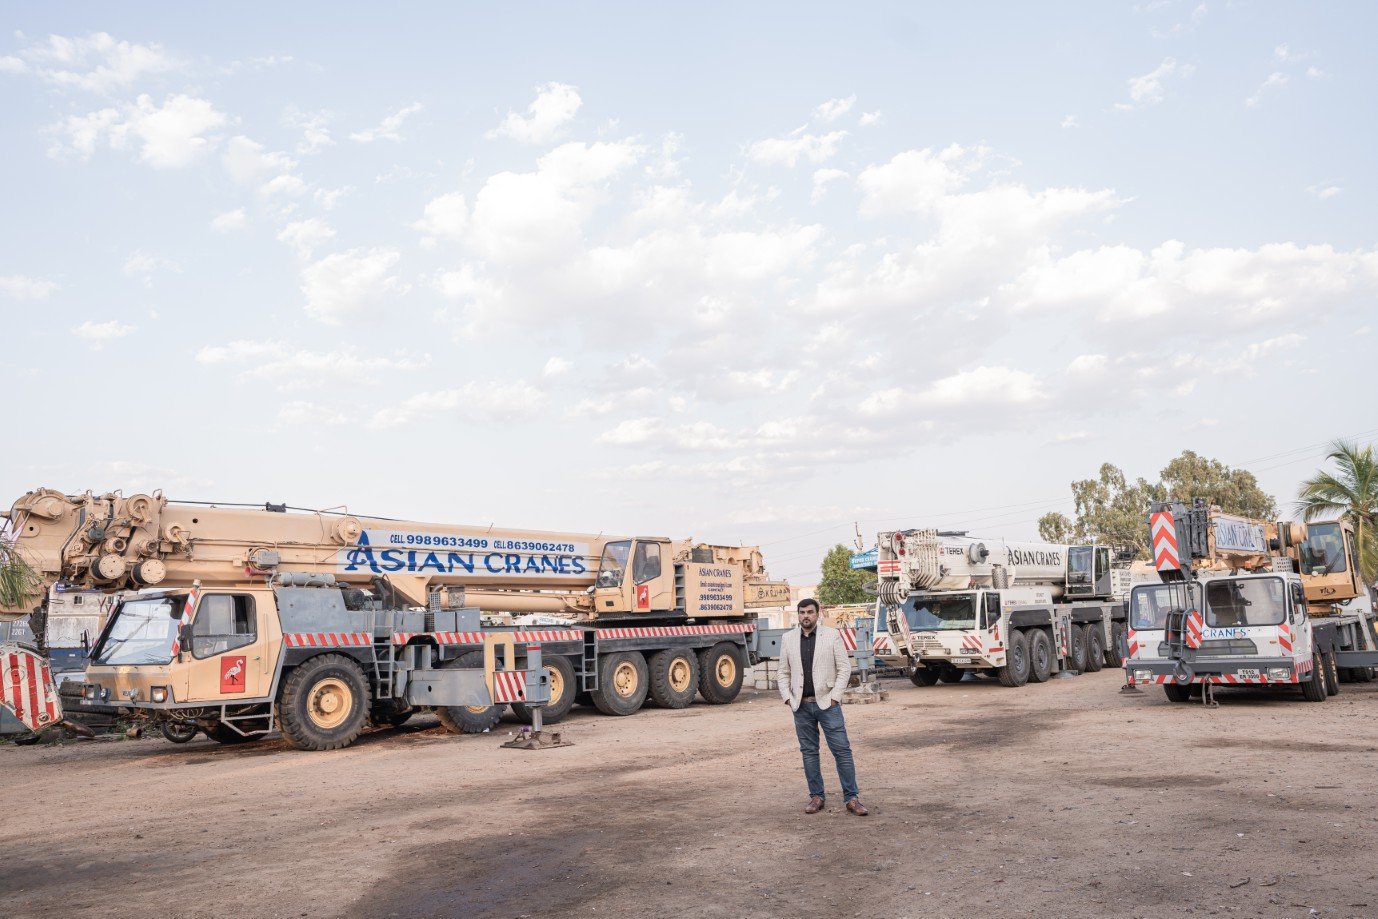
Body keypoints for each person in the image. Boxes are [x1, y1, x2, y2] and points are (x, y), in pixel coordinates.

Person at [778, 598, 868, 816]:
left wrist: (835, 697)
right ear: (798, 615)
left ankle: (852, 798)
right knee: (809, 752)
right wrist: (789, 698)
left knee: (842, 751)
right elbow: (783, 672)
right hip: (801, 706)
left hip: (828, 704)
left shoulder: (832, 635)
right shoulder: (788, 638)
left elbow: (844, 668)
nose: (806, 616)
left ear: (817, 614)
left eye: (810, 612)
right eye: (802, 612)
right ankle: (816, 797)